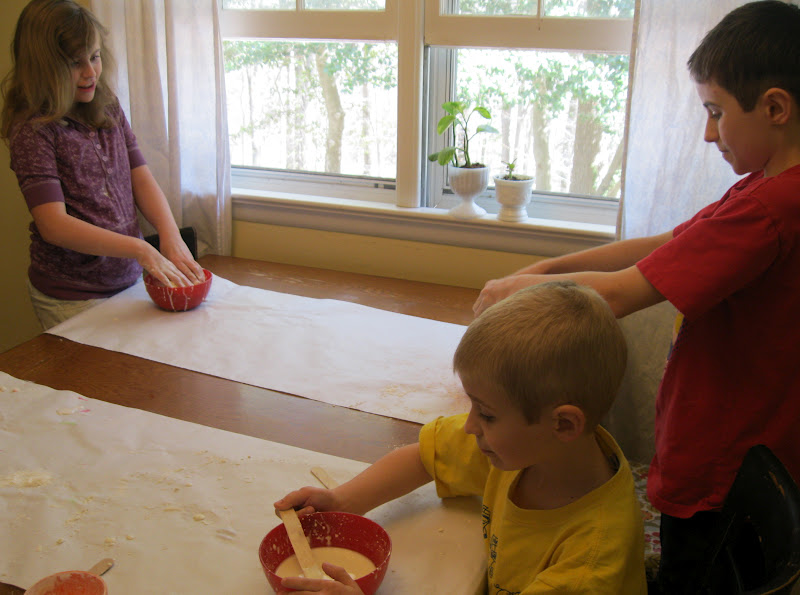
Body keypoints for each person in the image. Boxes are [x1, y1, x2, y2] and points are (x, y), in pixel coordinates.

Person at [472, 2, 800, 592]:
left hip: (721, 465)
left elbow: (622, 293)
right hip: (748, 442)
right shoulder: (765, 189)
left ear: (775, 107)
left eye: (716, 111)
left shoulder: (769, 210)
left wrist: (515, 290)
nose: (707, 132)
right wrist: (551, 266)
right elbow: (663, 245)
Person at [274, 281, 647, 595]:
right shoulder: (533, 449)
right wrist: (343, 500)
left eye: (486, 413)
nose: (469, 426)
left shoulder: (590, 568)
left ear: (564, 425)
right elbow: (425, 456)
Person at [1, 0, 205, 330]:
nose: (90, 72)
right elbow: (53, 225)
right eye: (74, 63)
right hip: (71, 296)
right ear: (43, 67)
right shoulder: (33, 129)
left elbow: (139, 175)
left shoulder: (106, 103)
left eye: (94, 57)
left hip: (126, 281)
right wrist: (141, 248)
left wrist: (167, 233)